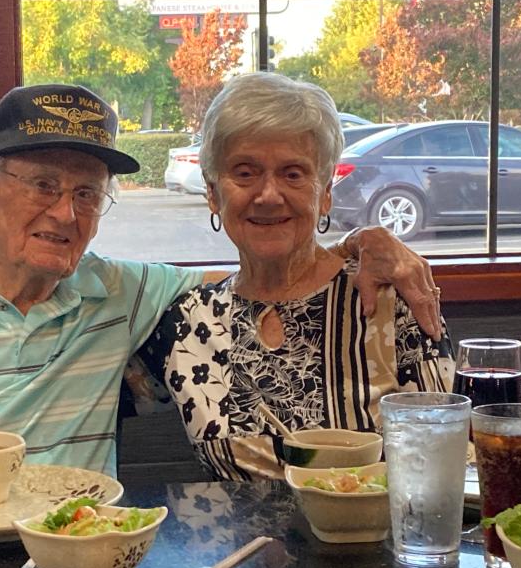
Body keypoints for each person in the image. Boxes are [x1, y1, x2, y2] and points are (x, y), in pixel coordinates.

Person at [0, 82, 441, 494]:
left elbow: (454, 468)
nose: (66, 214)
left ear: (325, 189)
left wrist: (362, 242)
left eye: (86, 193)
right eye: (43, 185)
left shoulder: (137, 300)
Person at [136, 72, 454, 481]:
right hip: (235, 546)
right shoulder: (189, 323)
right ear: (213, 194)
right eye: (245, 173)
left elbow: (447, 464)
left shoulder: (391, 302)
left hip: (373, 544)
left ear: (325, 194)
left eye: (293, 173)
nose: (269, 195)